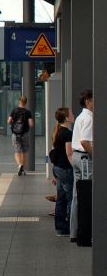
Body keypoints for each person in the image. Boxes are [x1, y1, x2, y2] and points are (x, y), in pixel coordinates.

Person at [69, 89, 94, 240]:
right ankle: (85, 232)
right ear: (88, 101)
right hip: (85, 159)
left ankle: (75, 232)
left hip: (77, 157)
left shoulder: (80, 116)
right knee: (86, 194)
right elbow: (85, 141)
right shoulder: (89, 118)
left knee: (77, 195)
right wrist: (95, 155)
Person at [49, 107, 74, 237]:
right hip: (65, 169)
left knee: (60, 199)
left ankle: (60, 228)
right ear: (66, 118)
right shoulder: (67, 133)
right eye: (71, 114)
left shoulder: (57, 132)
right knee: (70, 199)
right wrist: (76, 167)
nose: (73, 115)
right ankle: (71, 227)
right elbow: (69, 153)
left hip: (57, 168)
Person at [7, 95, 34, 176]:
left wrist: (13, 124)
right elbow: (31, 124)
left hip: (15, 134)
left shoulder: (14, 111)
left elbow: (8, 121)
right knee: (24, 151)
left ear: (19, 101)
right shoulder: (28, 112)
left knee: (17, 150)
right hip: (24, 133)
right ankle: (23, 169)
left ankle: (19, 165)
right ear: (26, 102)